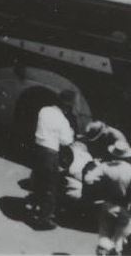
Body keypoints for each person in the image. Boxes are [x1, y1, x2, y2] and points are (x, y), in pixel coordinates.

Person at [86, 141, 131, 255]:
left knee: (104, 235)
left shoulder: (104, 167)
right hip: (124, 207)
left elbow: (88, 179)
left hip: (108, 204)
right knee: (118, 240)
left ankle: (102, 253)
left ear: (113, 154)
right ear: (128, 156)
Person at [30, 89, 77, 230]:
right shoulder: (62, 120)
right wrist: (71, 132)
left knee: (38, 179)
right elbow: (66, 141)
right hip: (50, 153)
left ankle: (34, 206)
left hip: (37, 148)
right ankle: (44, 220)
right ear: (67, 106)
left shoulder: (44, 110)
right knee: (50, 187)